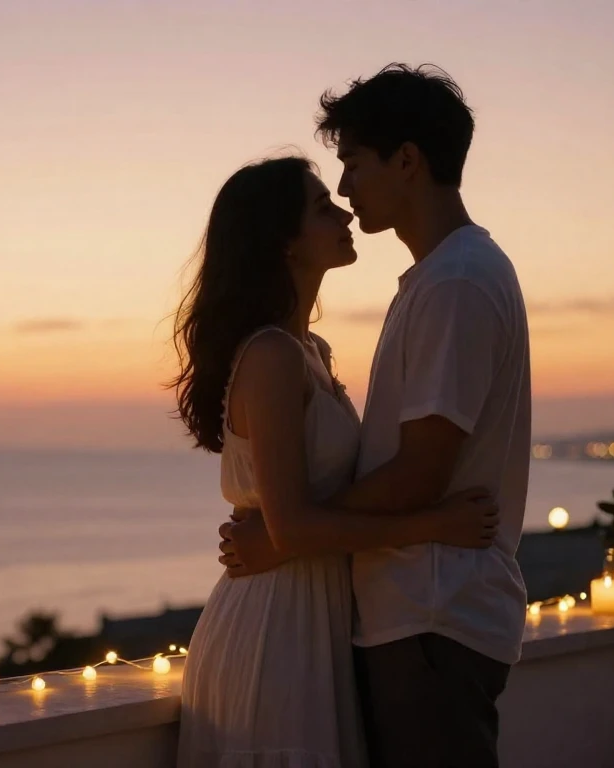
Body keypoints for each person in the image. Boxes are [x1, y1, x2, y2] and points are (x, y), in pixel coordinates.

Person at [219, 64, 532, 768]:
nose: (346, 188)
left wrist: (284, 534)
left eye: (354, 164)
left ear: (408, 161)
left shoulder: (454, 284)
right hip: (413, 617)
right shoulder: (442, 279)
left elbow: (421, 471)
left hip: (431, 615)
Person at [171, 151, 498, 768]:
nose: (344, 209)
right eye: (322, 206)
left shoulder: (309, 349)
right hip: (274, 624)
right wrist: (435, 524)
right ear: (284, 241)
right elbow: (292, 525)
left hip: (315, 614)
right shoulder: (272, 355)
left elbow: (295, 522)